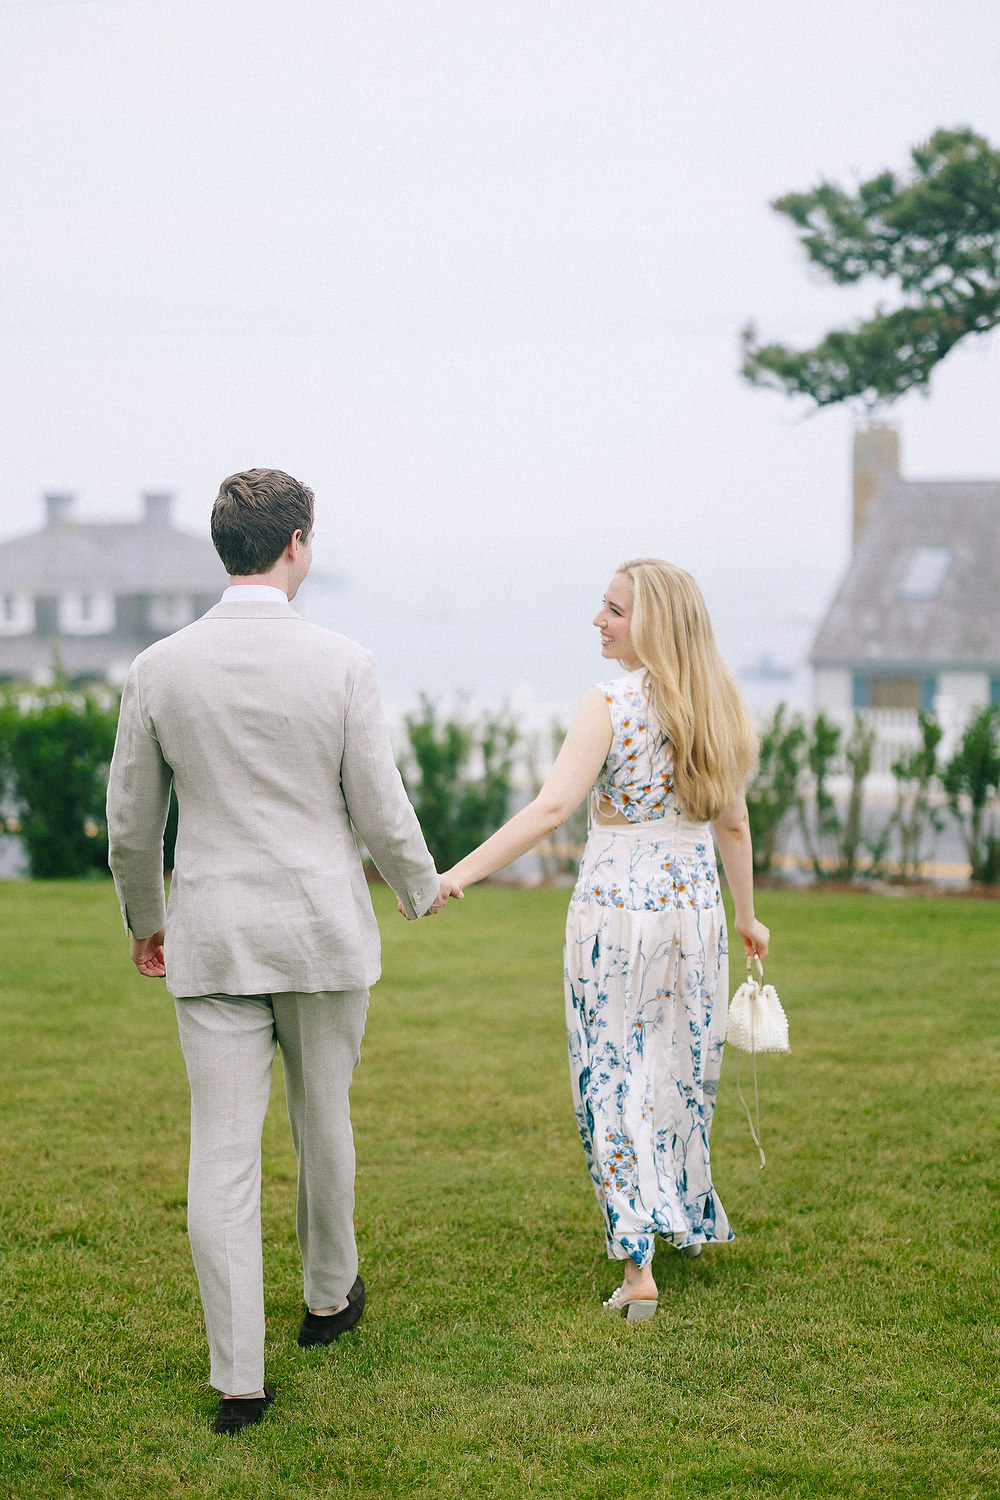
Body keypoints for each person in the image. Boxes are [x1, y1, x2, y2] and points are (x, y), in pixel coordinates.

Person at [107, 468, 459, 1433]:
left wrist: (148, 920)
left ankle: (238, 1381)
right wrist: (423, 888)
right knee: (323, 1119)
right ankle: (328, 1299)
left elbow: (133, 828)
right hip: (319, 932)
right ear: (296, 542)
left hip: (213, 936)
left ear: (227, 548)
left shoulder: (158, 667)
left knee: (219, 1158)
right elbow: (378, 807)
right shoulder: (342, 661)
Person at [443, 558, 768, 1320]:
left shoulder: (610, 703)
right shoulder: (717, 705)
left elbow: (553, 807)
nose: (599, 619)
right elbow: (734, 823)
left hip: (618, 906)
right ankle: (674, 1215)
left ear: (651, 622)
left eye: (615, 609)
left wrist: (458, 873)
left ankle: (637, 1263)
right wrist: (747, 916)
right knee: (678, 1069)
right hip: (695, 908)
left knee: (610, 1071)